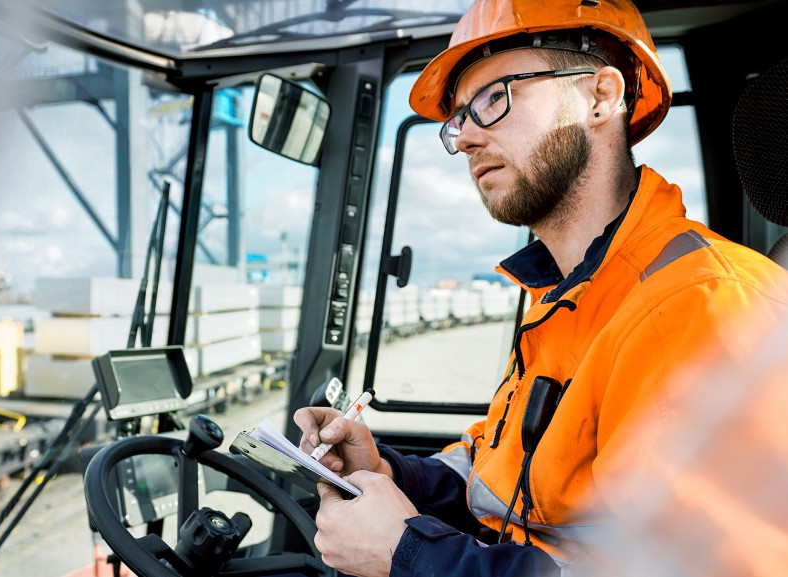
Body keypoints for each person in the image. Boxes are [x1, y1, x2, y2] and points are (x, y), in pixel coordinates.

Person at [294, 0, 788, 575]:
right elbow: (501, 477)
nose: (468, 139)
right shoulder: (564, 296)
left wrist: (407, 554)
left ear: (601, 97)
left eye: (493, 99)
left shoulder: (703, 304)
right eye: (457, 121)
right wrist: (388, 472)